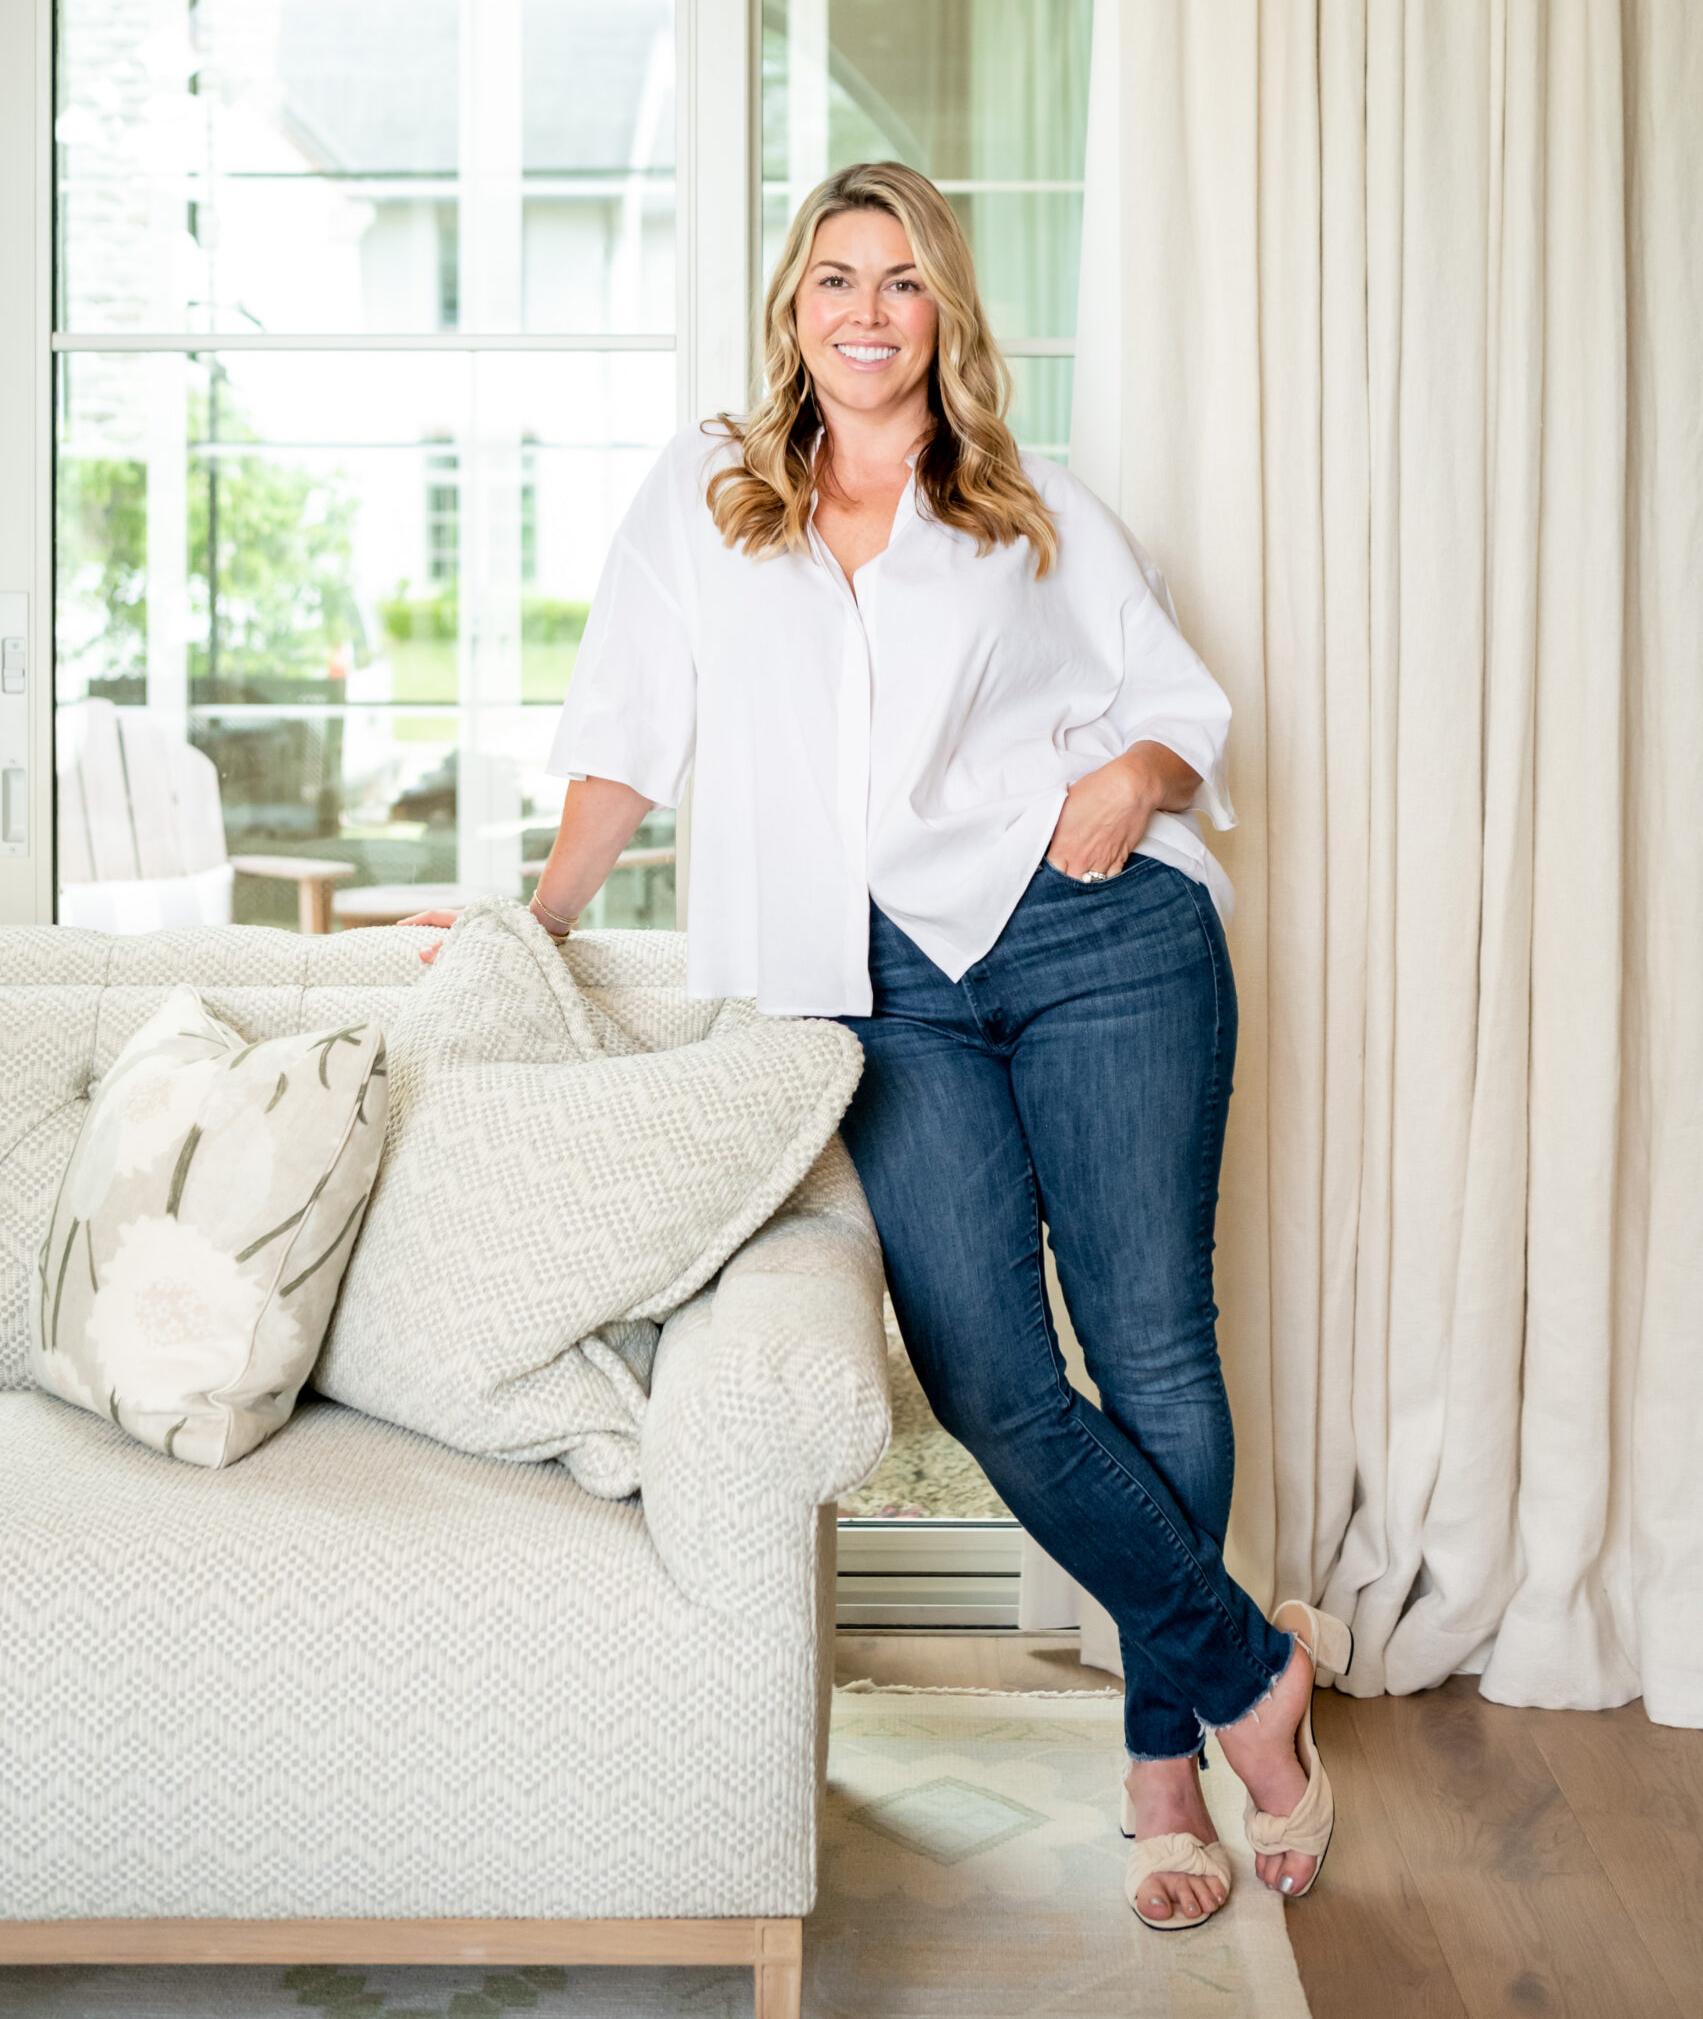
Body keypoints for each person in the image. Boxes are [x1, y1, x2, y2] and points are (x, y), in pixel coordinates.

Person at [407, 160, 1351, 1931]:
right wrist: (535, 922)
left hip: (1103, 938)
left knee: (1153, 1351)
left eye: (901, 282)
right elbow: (628, 735)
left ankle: (1165, 1772)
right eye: (834, 276)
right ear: (791, 308)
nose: (863, 309)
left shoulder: (1025, 506)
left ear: (944, 317)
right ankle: (1249, 1675)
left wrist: (1133, 783)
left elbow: (1177, 708)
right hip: (875, 982)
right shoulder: (707, 503)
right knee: (991, 1376)